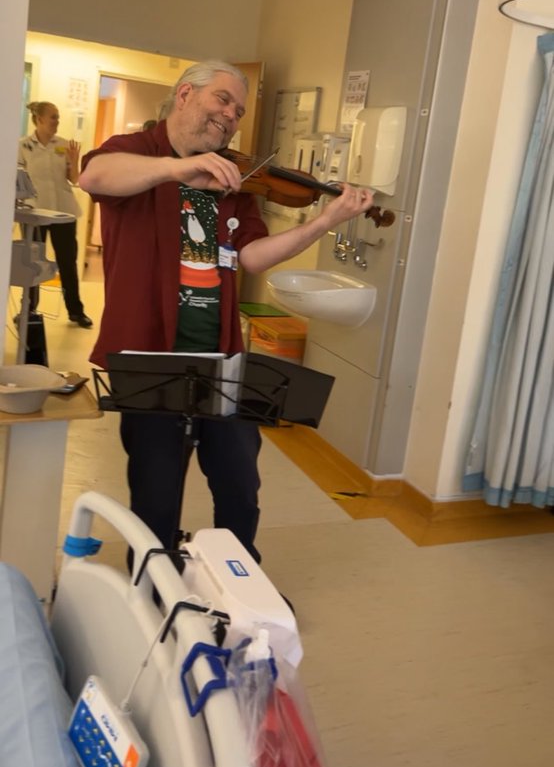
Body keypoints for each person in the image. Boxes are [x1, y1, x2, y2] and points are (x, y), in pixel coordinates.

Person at [78, 60, 374, 563]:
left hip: (221, 357)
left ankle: (237, 579)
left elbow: (252, 255)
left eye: (238, 109)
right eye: (223, 99)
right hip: (151, 357)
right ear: (186, 94)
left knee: (240, 483)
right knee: (155, 491)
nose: (231, 115)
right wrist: (179, 168)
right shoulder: (135, 152)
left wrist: (325, 221)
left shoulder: (236, 179)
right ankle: (152, 581)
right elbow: (94, 176)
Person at [18, 102, 93, 328]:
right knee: (32, 263)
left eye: (58, 117)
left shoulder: (63, 145)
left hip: (63, 213)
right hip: (34, 214)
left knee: (67, 263)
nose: (57, 121)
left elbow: (74, 180)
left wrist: (75, 161)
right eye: (53, 117)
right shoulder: (23, 145)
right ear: (39, 119)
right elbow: (18, 177)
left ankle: (76, 312)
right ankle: (28, 309)